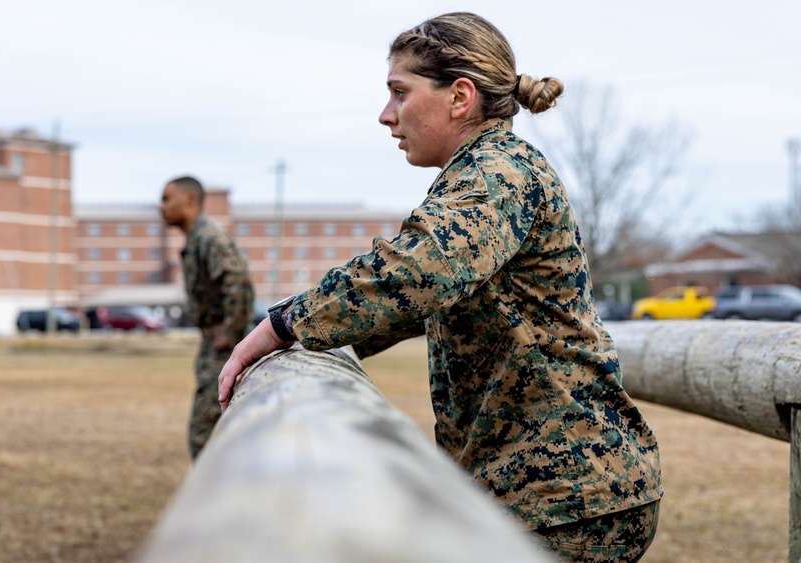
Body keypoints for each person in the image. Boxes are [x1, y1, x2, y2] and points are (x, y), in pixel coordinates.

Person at [218, 12, 662, 562]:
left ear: (460, 97)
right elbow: (416, 301)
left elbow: (418, 271)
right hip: (541, 490)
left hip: (568, 495)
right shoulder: (478, 172)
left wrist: (285, 325)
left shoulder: (498, 172)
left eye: (399, 93)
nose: (386, 115)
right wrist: (319, 337)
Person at [160, 176, 254, 459]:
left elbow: (237, 279)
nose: (161, 207)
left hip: (224, 345)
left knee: (204, 433)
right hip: (214, 340)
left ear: (189, 201)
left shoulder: (209, 236)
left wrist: (229, 331)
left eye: (167, 199)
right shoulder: (197, 238)